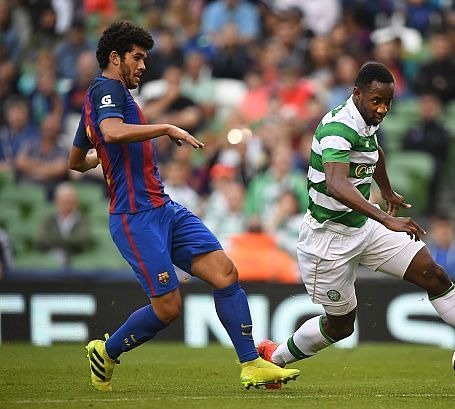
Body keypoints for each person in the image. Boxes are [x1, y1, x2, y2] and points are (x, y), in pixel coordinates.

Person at [256, 62, 455, 384]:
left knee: (433, 274)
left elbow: (373, 152)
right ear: (357, 94)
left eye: (388, 103)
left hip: (363, 227)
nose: (383, 109)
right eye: (376, 101)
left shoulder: (365, 120)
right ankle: (274, 358)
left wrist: (387, 189)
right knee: (340, 326)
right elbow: (337, 184)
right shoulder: (337, 128)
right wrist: (385, 218)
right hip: (328, 241)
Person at [68, 21, 298, 392]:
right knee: (169, 308)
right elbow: (110, 132)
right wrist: (166, 128)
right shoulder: (106, 89)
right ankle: (107, 352)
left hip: (165, 209)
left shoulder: (102, 99)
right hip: (135, 218)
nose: (143, 66)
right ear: (115, 58)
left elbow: (76, 160)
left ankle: (251, 364)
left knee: (225, 273)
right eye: (137, 58)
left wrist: (98, 160)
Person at [35, 182, 92, 268]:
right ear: (57, 201)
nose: (67, 204)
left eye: (70, 200)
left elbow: (82, 240)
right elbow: (42, 239)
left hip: (76, 258)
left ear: (76, 202)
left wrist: (56, 241)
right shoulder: (48, 220)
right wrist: (69, 242)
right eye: (64, 201)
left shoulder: (82, 220)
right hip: (50, 260)